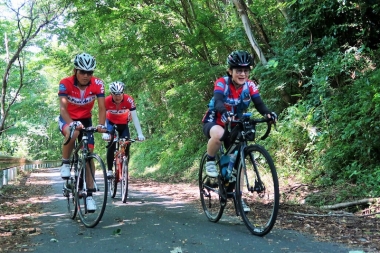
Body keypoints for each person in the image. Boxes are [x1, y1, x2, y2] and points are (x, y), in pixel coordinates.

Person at [201, 50, 277, 211]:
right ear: (231, 71)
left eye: (245, 70)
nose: (242, 74)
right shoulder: (222, 82)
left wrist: (268, 114)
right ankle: (210, 161)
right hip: (216, 118)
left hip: (236, 120)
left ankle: (237, 197)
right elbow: (219, 100)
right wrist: (225, 112)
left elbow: (259, 104)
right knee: (219, 134)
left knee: (238, 161)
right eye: (238, 70)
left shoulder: (250, 86)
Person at [58, 53, 107, 211]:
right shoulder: (65, 83)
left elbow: (101, 107)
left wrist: (101, 124)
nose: (86, 76)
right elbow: (63, 108)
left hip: (86, 120)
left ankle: (90, 195)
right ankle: (65, 163)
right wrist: (72, 124)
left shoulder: (98, 84)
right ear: (75, 71)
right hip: (67, 118)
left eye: (90, 73)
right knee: (74, 133)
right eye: (82, 72)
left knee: (89, 155)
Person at [102, 81, 145, 178]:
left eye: (120, 94)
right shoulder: (106, 101)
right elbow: (103, 117)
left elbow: (135, 117)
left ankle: (125, 168)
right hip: (110, 123)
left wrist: (140, 134)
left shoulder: (129, 100)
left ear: (123, 93)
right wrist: (105, 132)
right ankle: (109, 170)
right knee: (111, 143)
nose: (118, 97)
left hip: (123, 123)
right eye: (115, 95)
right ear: (111, 94)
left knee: (127, 143)